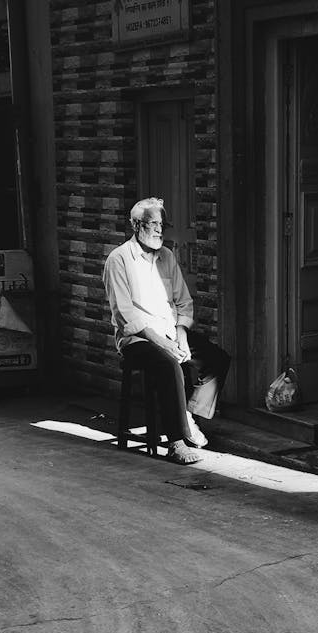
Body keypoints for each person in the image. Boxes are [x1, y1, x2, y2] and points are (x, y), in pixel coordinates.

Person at [103, 197, 230, 464]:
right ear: (137, 225)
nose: (160, 230)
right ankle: (176, 442)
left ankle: (187, 413)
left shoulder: (167, 256)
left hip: (170, 331)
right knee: (170, 364)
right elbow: (124, 314)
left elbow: (183, 301)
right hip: (138, 338)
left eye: (163, 224)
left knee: (217, 358)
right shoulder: (119, 260)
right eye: (153, 224)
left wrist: (181, 334)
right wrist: (162, 342)